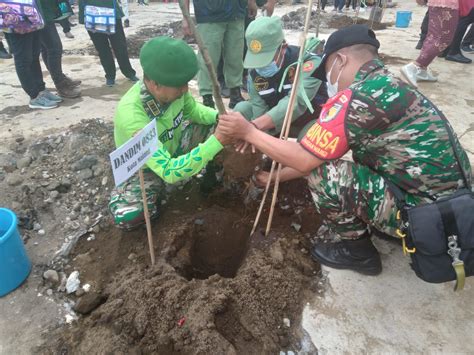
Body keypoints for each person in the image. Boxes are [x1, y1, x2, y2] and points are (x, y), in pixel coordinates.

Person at [218, 25, 472, 275]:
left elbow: (308, 162)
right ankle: (395, 224)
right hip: (445, 202)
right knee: (347, 163)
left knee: (325, 176)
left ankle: (359, 253)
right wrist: (274, 175)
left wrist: (250, 133)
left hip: (428, 215)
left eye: (327, 71)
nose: (328, 80)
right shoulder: (389, 83)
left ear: (340, 60)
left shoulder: (357, 98)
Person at [109, 37, 231, 230]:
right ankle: (155, 197)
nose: (185, 90)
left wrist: (221, 118)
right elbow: (168, 171)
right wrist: (216, 141)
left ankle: (210, 180)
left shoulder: (173, 89)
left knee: (218, 127)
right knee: (129, 216)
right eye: (180, 85)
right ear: (156, 84)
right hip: (146, 168)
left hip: (174, 146)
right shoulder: (133, 117)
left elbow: (194, 112)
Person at [233, 16, 327, 140]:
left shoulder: (307, 62)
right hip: (274, 124)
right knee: (241, 109)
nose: (260, 66)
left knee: (311, 138)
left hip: (307, 121)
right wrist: (258, 137)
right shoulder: (254, 73)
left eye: (266, 60)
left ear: (283, 48)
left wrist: (255, 126)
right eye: (257, 60)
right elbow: (258, 106)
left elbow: (297, 101)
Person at [182, 0, 255, 109]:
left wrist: (251, 2)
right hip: (209, 14)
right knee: (207, 59)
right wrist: (185, 17)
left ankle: (235, 94)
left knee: (235, 56)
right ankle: (207, 98)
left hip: (236, 12)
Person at [401, 0, 459, 87]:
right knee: (442, 39)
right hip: (446, 3)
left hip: (440, 3)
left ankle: (422, 70)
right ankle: (415, 66)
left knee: (433, 36)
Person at [79, 0, 138, 86]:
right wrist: (82, 17)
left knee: (120, 47)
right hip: (92, 15)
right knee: (102, 49)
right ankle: (110, 76)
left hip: (112, 14)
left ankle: (129, 72)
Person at [38, 0, 81, 99]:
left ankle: (60, 78)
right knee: (54, 48)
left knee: (46, 48)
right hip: (41, 14)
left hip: (46, 12)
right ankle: (60, 84)